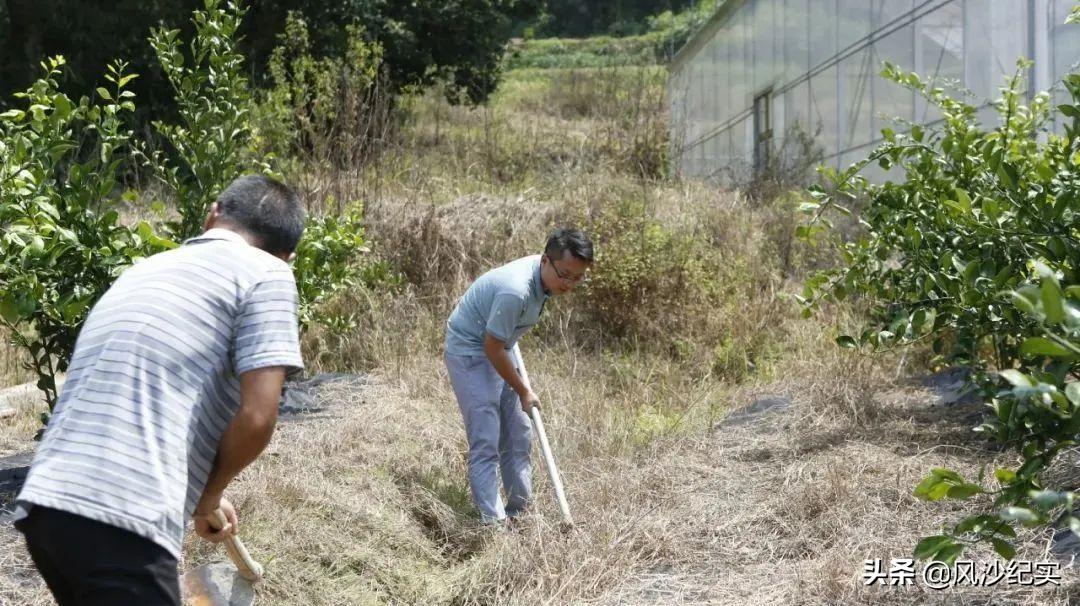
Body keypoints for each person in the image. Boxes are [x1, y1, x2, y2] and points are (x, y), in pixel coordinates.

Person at [13, 174, 306, 605]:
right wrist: (209, 495)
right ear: (288, 255)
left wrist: (204, 501)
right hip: (123, 519)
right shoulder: (269, 273)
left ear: (213, 214)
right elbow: (259, 415)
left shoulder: (146, 268)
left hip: (49, 511)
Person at [444, 227, 594, 524]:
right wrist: (524, 390)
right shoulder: (517, 290)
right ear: (545, 261)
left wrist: (516, 385)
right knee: (486, 439)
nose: (570, 284)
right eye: (565, 275)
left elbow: (500, 342)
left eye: (578, 278)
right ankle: (494, 526)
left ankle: (520, 514)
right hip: (470, 351)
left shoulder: (546, 280)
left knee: (518, 433)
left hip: (499, 344)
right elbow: (491, 346)